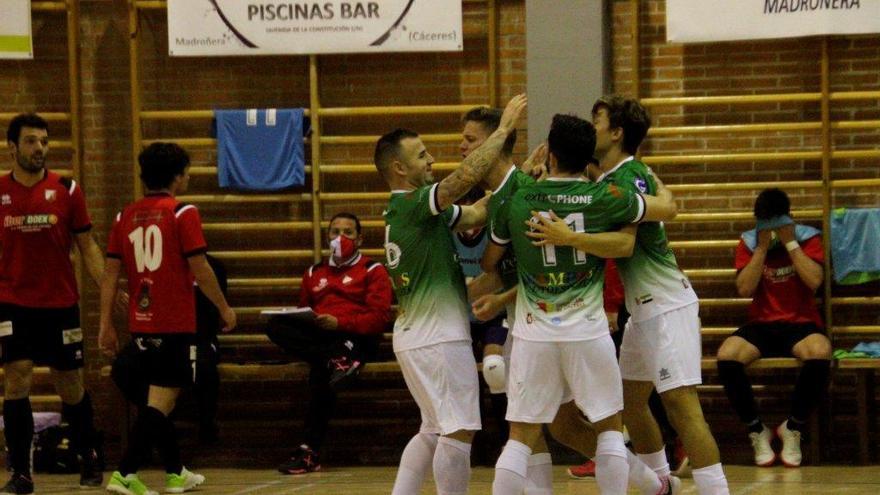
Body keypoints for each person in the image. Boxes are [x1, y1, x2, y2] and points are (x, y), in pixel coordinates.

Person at [529, 96, 729, 494]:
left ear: (617, 132)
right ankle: (662, 483)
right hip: (644, 311)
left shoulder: (628, 176)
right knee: (632, 403)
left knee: (682, 406)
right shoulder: (611, 178)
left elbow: (623, 244)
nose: (592, 128)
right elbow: (659, 203)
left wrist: (570, 238)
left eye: (597, 121)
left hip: (668, 305)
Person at [488, 113, 679, 495]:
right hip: (588, 331)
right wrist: (663, 191)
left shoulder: (519, 196)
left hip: (532, 333)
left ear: (551, 155)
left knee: (520, 438)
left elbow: (490, 261)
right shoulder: (605, 196)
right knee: (609, 431)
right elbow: (664, 210)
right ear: (590, 156)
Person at [376, 94, 526, 495]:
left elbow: (478, 211)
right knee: (458, 430)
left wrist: (524, 180)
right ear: (399, 168)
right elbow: (462, 179)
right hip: (438, 336)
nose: (431, 161)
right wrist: (505, 129)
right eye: (422, 155)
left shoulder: (418, 213)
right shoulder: (412, 204)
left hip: (415, 336)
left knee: (432, 429)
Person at [99, 142, 236, 495]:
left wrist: (105, 325)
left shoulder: (123, 216)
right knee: (162, 402)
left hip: (141, 324)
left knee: (158, 399)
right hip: (174, 323)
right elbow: (201, 268)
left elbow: (111, 276)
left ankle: (176, 472)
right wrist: (223, 308)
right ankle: (125, 473)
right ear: (177, 177)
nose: (188, 177)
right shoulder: (182, 212)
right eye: (186, 172)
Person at [1, 113, 105, 494]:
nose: (39, 148)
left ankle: (89, 455)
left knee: (70, 384)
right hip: (13, 302)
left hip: (60, 302)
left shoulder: (67, 188)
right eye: (30, 141)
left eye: (43, 141)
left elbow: (87, 245)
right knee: (17, 377)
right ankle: (21, 473)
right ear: (12, 147)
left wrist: (108, 289)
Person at [265, 212, 393, 475]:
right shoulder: (314, 272)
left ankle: (308, 452)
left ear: (359, 238)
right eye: (335, 232)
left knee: (321, 374)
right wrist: (311, 320)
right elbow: (304, 310)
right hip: (325, 339)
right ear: (327, 237)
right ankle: (336, 359)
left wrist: (340, 322)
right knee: (275, 325)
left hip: (357, 338)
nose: (341, 237)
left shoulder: (372, 269)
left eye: (348, 232)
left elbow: (378, 318)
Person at [717, 188, 830, 467]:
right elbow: (744, 288)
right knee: (727, 355)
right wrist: (763, 248)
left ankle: (793, 427)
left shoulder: (808, 239)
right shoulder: (749, 243)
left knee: (820, 352)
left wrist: (791, 243)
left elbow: (815, 281)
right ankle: (756, 429)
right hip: (762, 324)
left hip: (800, 323)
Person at [109, 254, 228, 445]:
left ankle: (206, 424)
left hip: (199, 336)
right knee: (123, 366)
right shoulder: (158, 268)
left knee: (202, 366)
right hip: (162, 334)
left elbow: (216, 314)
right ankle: (158, 419)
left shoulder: (214, 267)